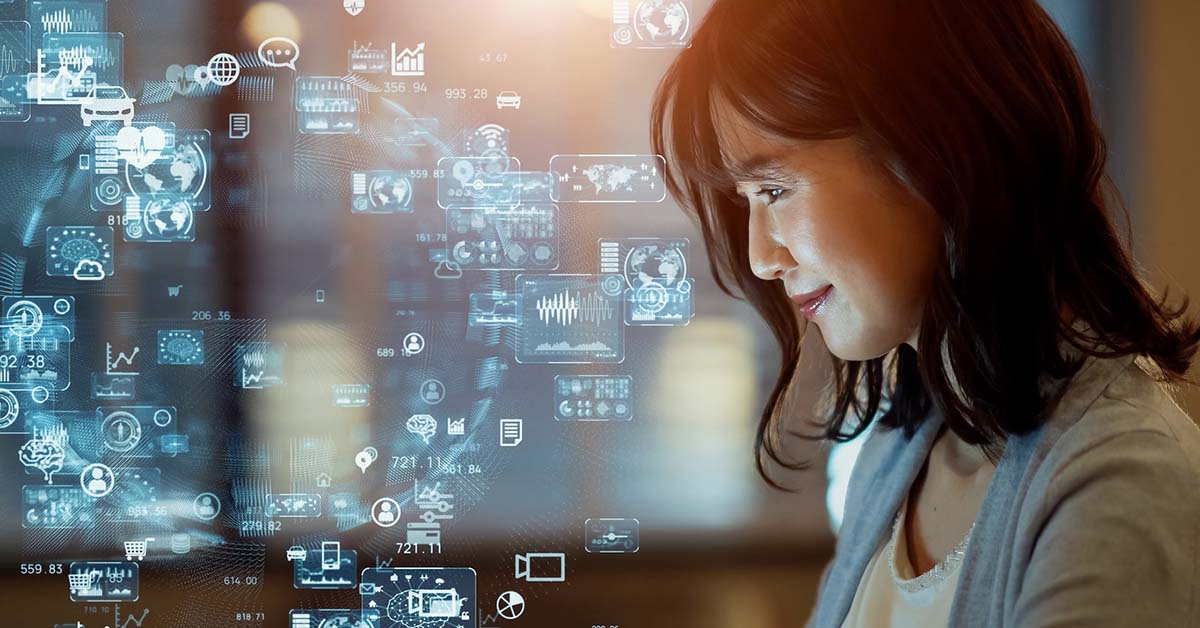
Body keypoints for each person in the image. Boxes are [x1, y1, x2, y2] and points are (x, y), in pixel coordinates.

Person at [650, 0, 1200, 626]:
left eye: (774, 190)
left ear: (929, 146)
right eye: (746, 201)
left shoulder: (1118, 485)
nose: (760, 258)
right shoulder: (903, 446)